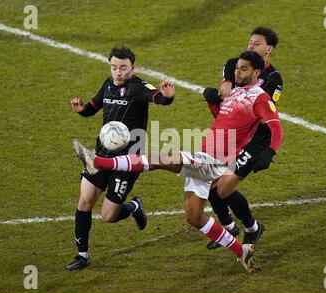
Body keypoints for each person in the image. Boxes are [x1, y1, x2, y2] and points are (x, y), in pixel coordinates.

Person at [71, 51, 283, 273]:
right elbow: (224, 122)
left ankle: (97, 162)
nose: (237, 72)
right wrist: (213, 104)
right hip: (205, 155)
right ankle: (242, 252)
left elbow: (275, 126)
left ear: (256, 73)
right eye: (237, 67)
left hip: (214, 160)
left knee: (160, 158)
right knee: (194, 217)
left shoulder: (259, 97)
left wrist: (270, 151)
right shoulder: (236, 93)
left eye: (243, 69)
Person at [66, 45, 175, 271]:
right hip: (101, 155)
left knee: (108, 215)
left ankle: (133, 207)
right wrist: (81, 110)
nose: (118, 73)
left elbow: (156, 97)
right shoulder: (107, 85)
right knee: (85, 201)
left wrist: (166, 97)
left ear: (132, 68)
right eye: (114, 67)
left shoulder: (137, 87)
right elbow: (93, 107)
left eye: (123, 68)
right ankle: (82, 255)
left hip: (127, 161)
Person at [204, 26, 284, 250]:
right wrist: (215, 102)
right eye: (250, 42)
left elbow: (259, 114)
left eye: (256, 43)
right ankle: (229, 228)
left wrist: (269, 150)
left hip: (255, 138)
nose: (251, 45)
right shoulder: (234, 66)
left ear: (269, 49)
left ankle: (252, 227)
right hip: (234, 134)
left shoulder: (273, 79)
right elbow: (229, 109)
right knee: (210, 183)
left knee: (223, 188)